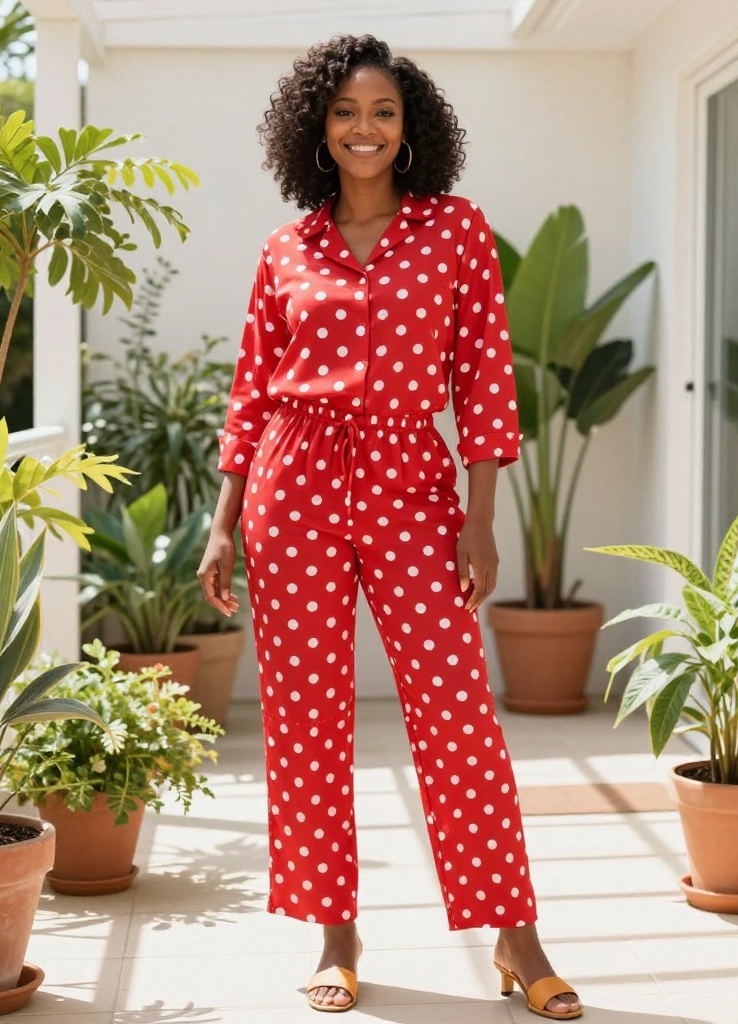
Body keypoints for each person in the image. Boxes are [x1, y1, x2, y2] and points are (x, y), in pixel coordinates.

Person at [198, 34, 582, 1020]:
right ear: (316, 128)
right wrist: (222, 523)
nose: (363, 129)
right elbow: (251, 394)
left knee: (457, 714)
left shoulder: (455, 230)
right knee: (307, 720)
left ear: (411, 128)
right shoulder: (287, 250)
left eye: (382, 112)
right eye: (344, 112)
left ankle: (515, 935)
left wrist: (481, 519)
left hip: (412, 481)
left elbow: (485, 381)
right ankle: (336, 934)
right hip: (294, 483)